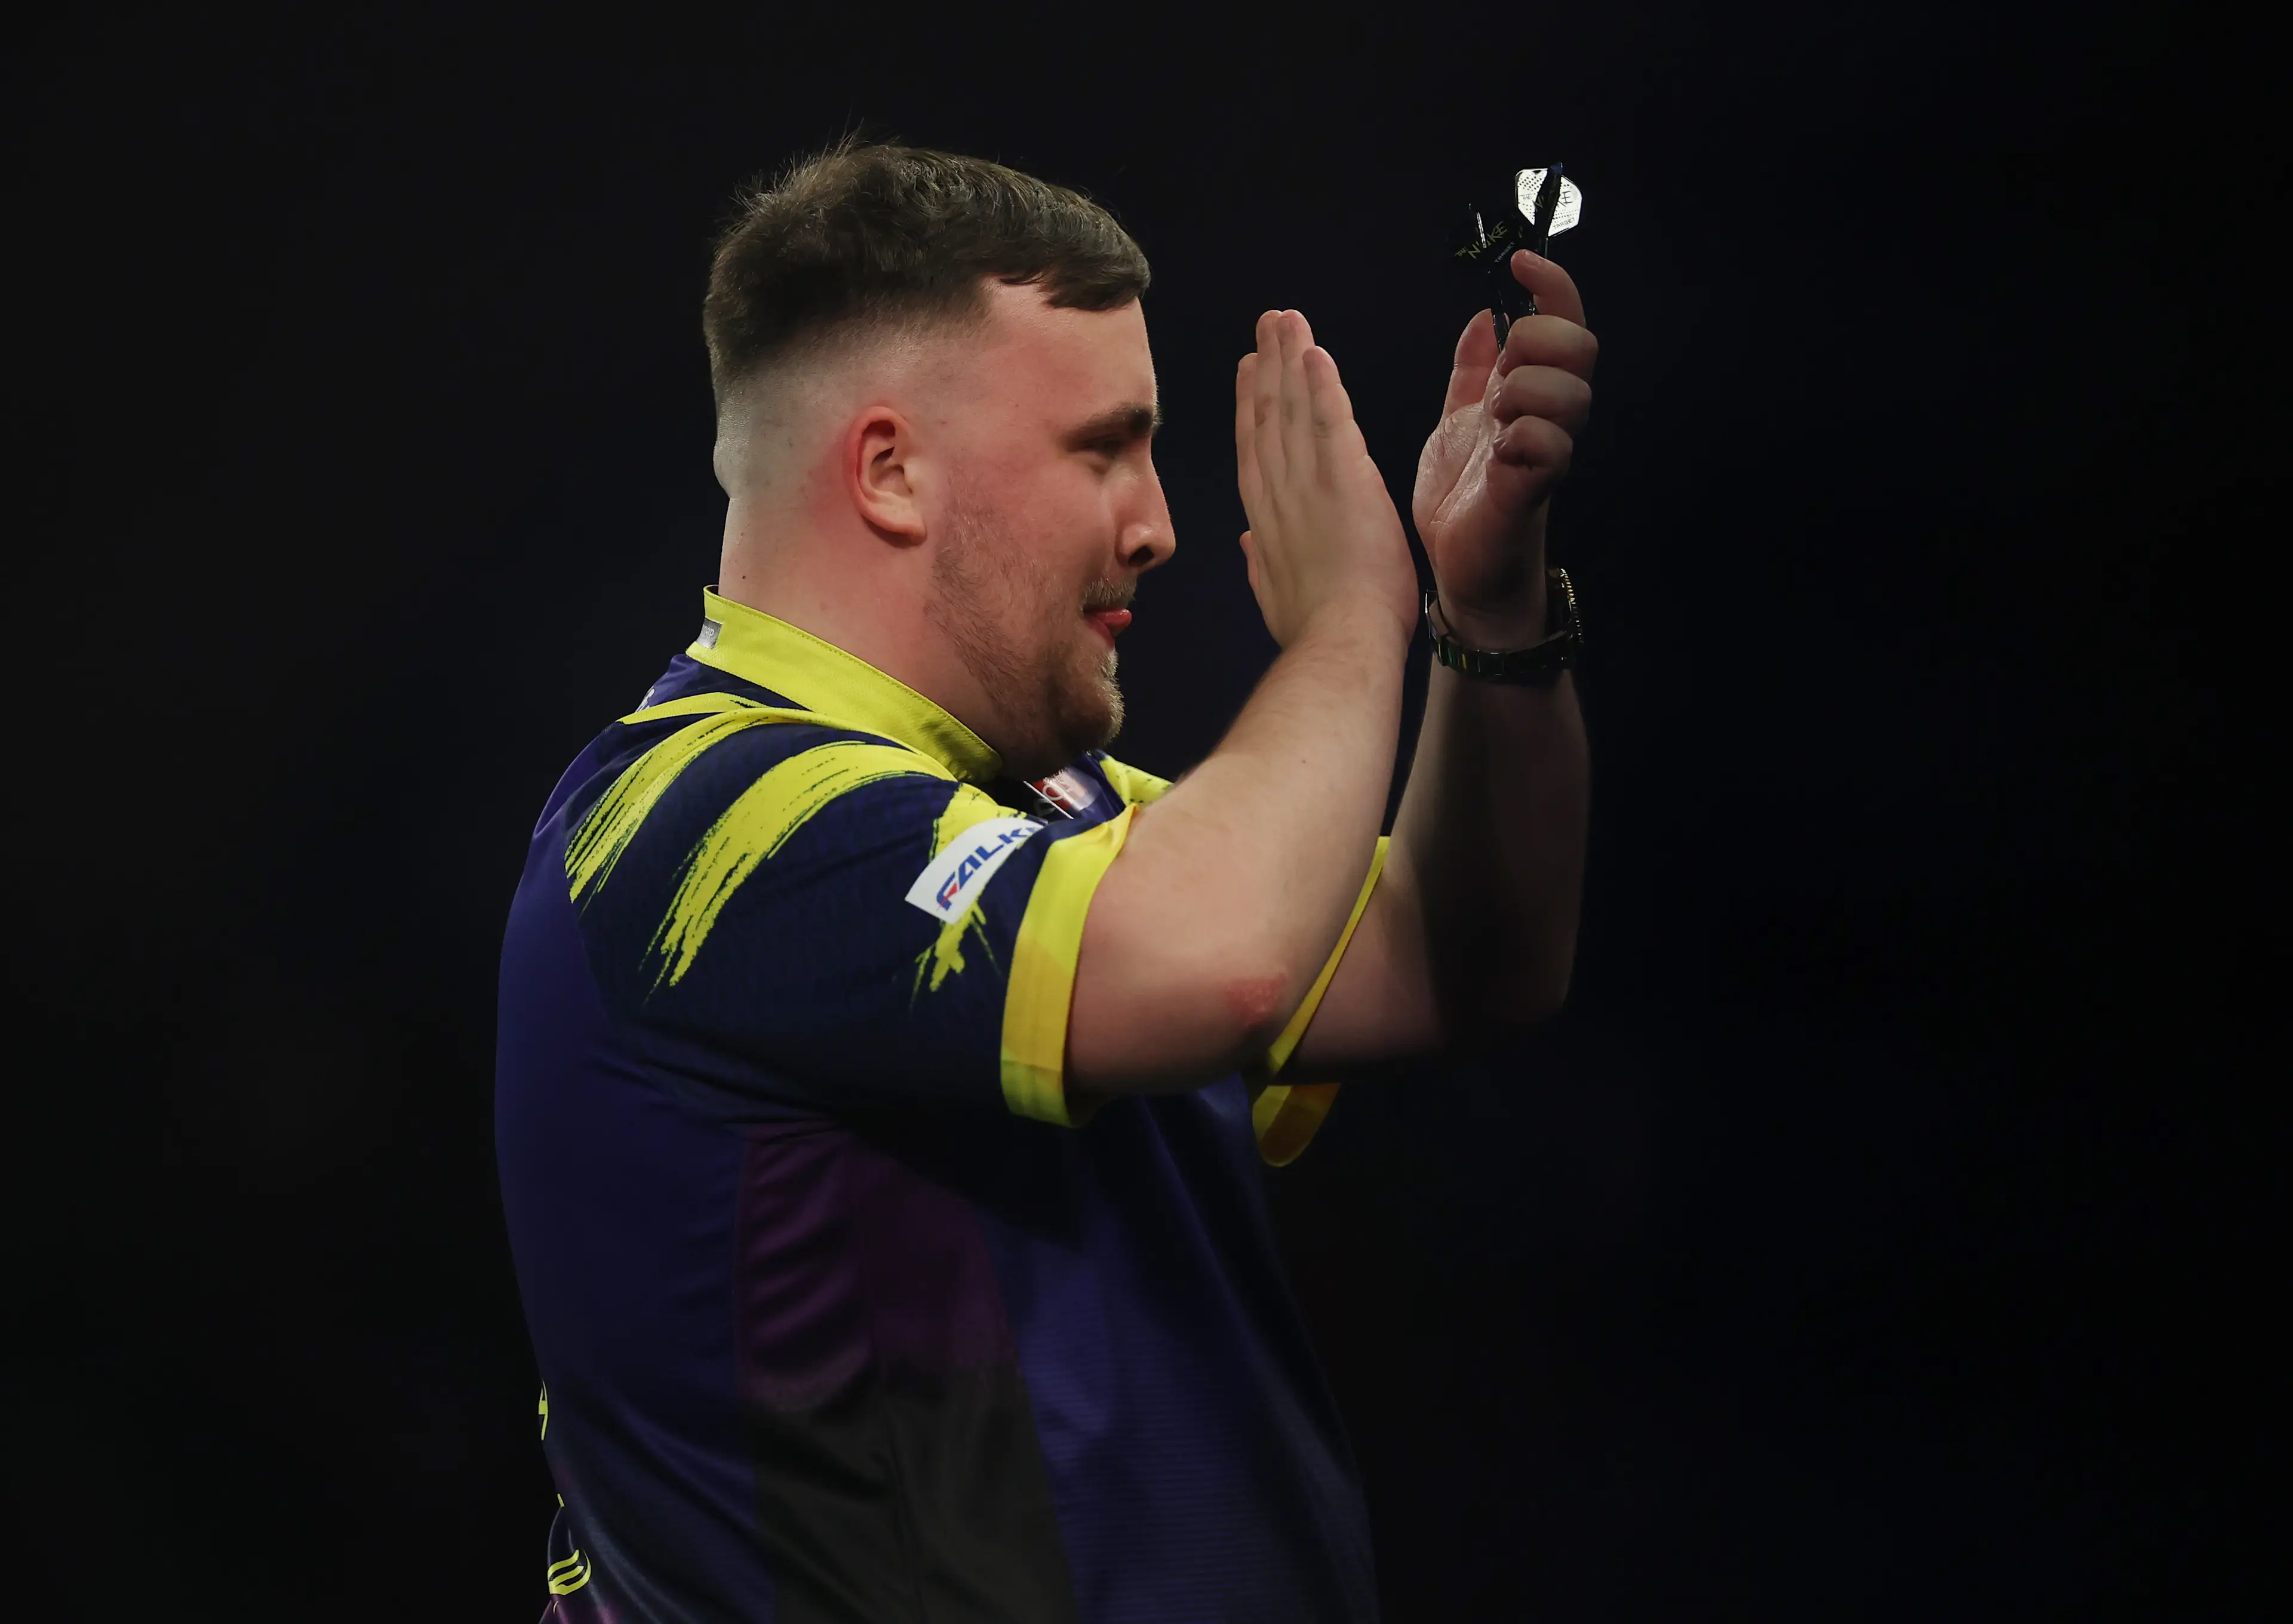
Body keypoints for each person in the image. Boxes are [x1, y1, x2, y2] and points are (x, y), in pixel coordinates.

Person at [496, 136, 1594, 1623]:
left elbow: (1464, 958)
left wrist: (1487, 618)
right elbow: (1220, 957)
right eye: (1103, 448)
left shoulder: (1031, 809)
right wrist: (1352, 618)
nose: (1156, 524)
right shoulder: (703, 821)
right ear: (890, 470)